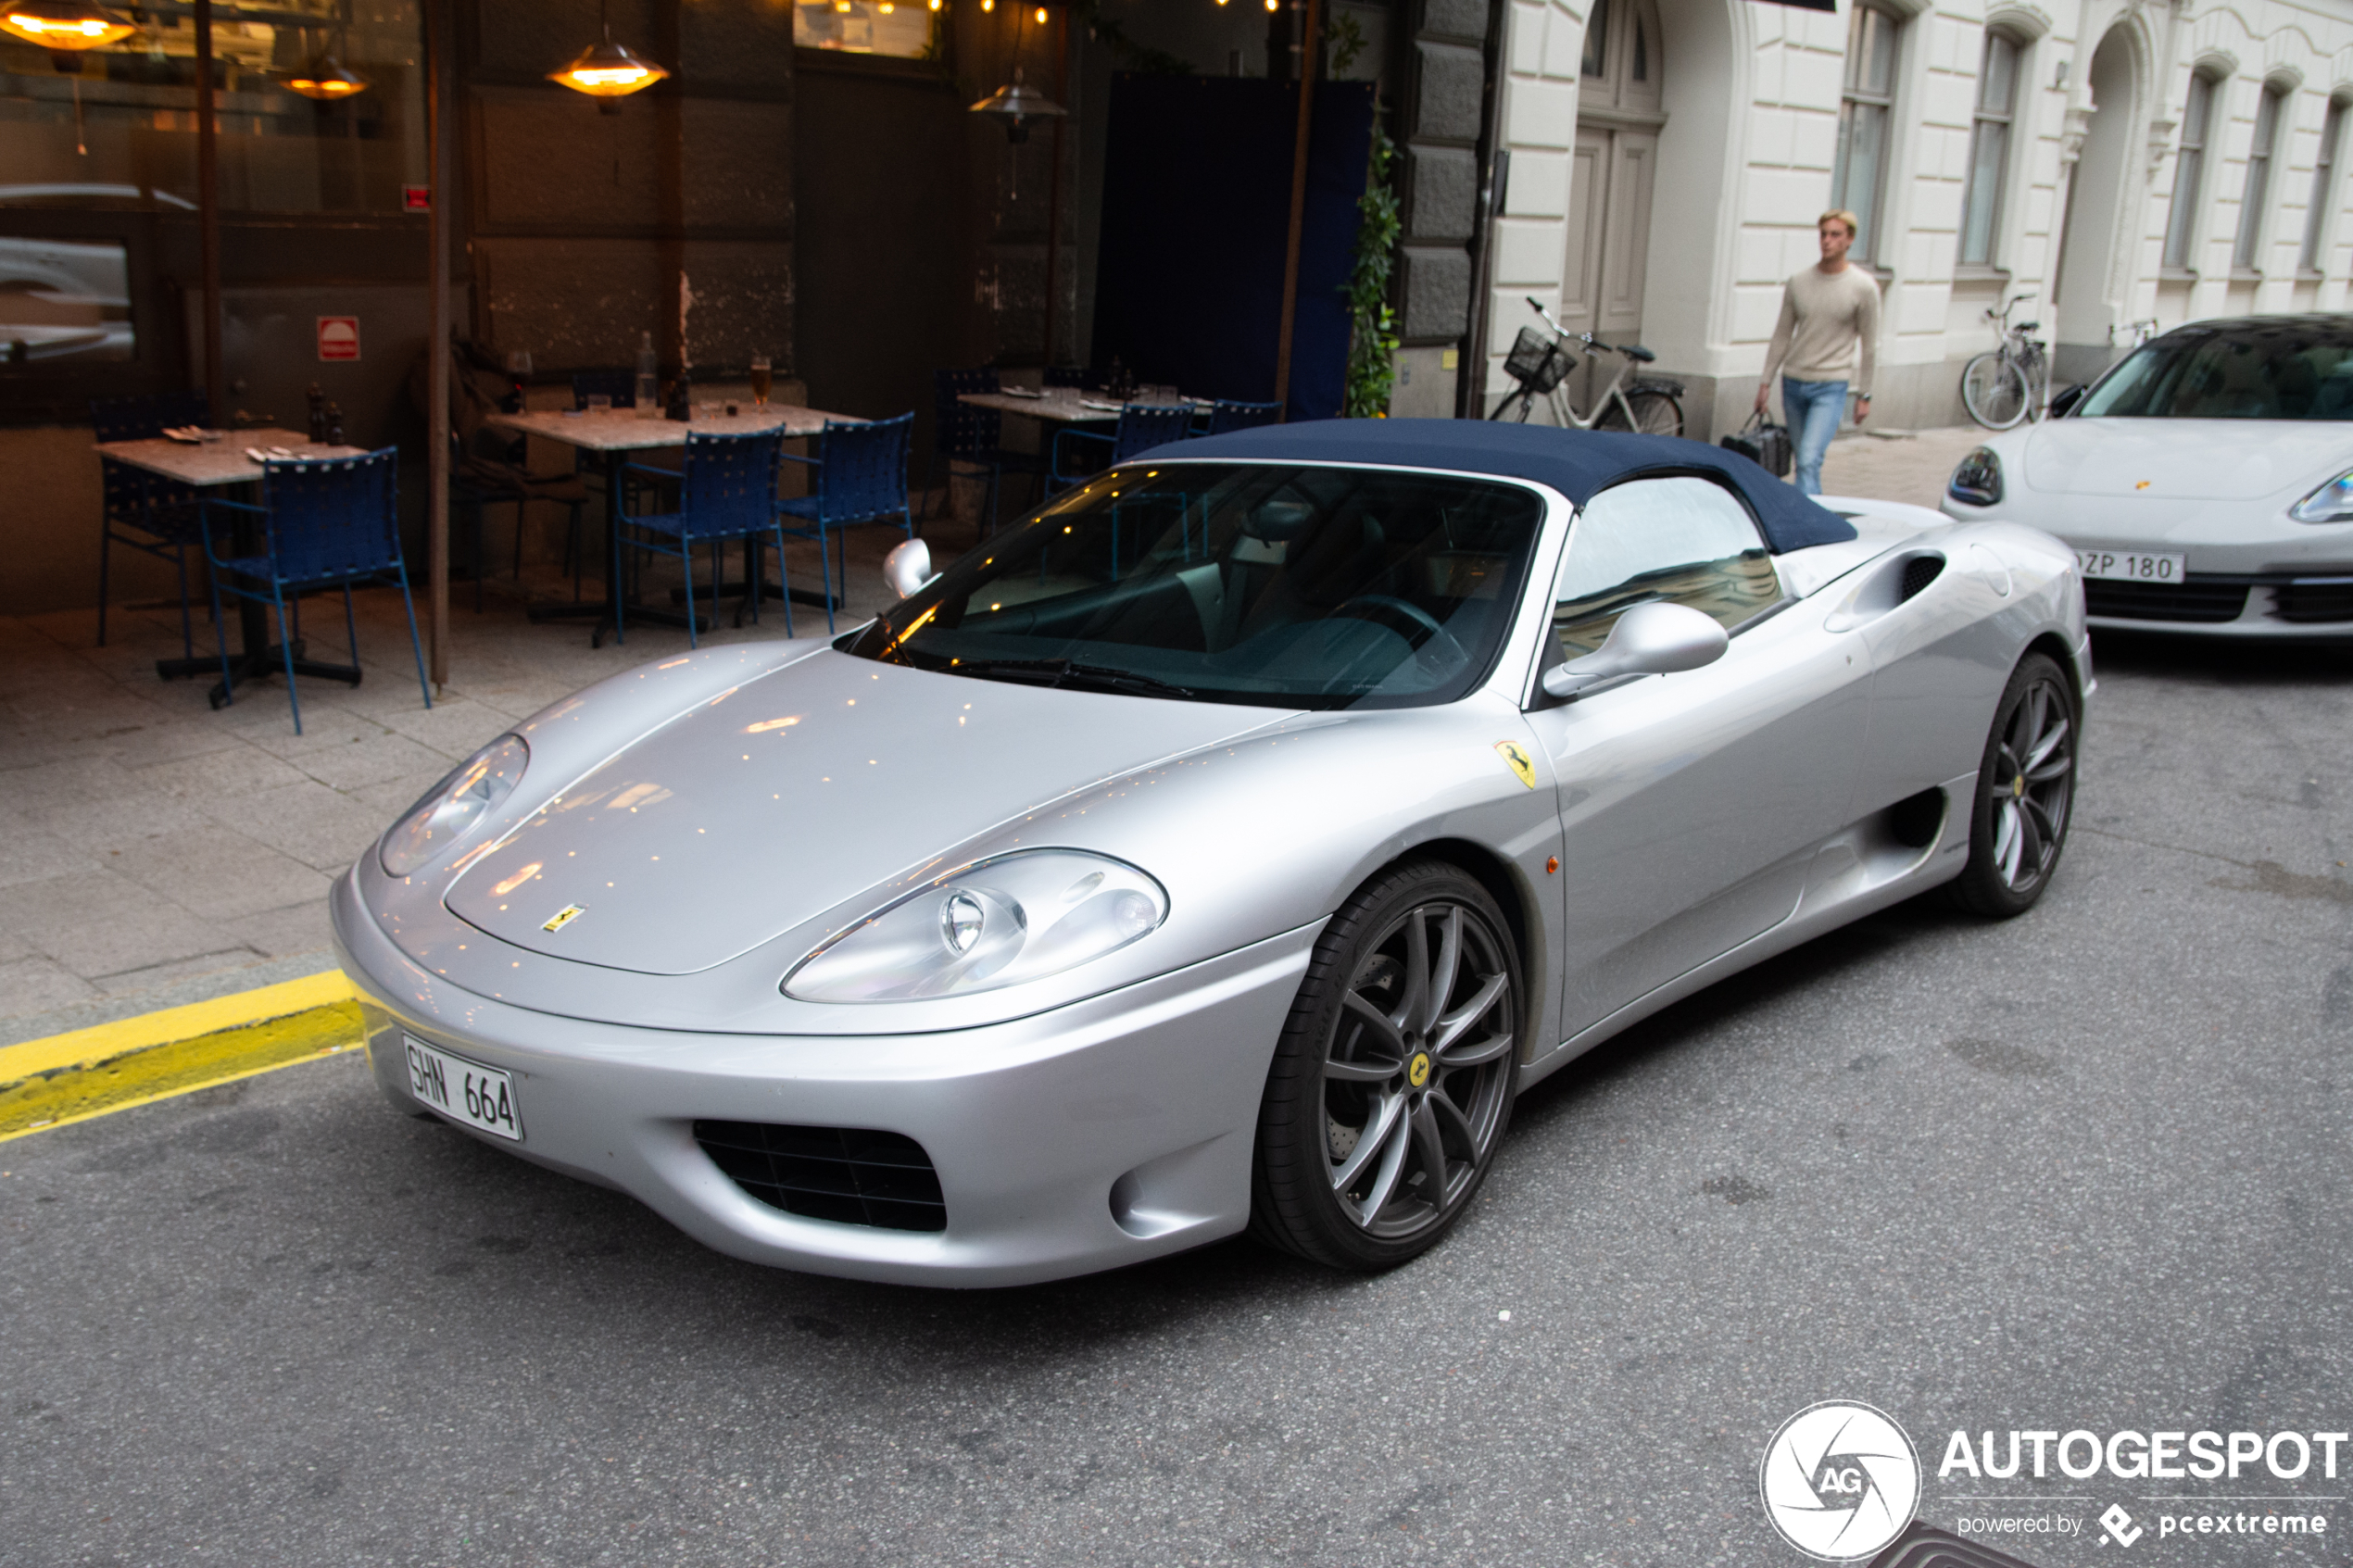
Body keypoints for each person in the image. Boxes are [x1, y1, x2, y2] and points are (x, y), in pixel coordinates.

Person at [1755, 210, 1882, 496]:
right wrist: (1765, 382)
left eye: (1835, 235)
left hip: (1830, 386)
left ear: (1849, 239)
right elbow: (1782, 335)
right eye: (1823, 234)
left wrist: (1865, 394)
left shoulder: (1863, 288)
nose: (1827, 241)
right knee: (1803, 461)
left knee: (1810, 459)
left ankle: (1809, 525)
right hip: (1794, 382)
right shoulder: (1799, 282)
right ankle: (1814, 513)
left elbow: (1871, 344)